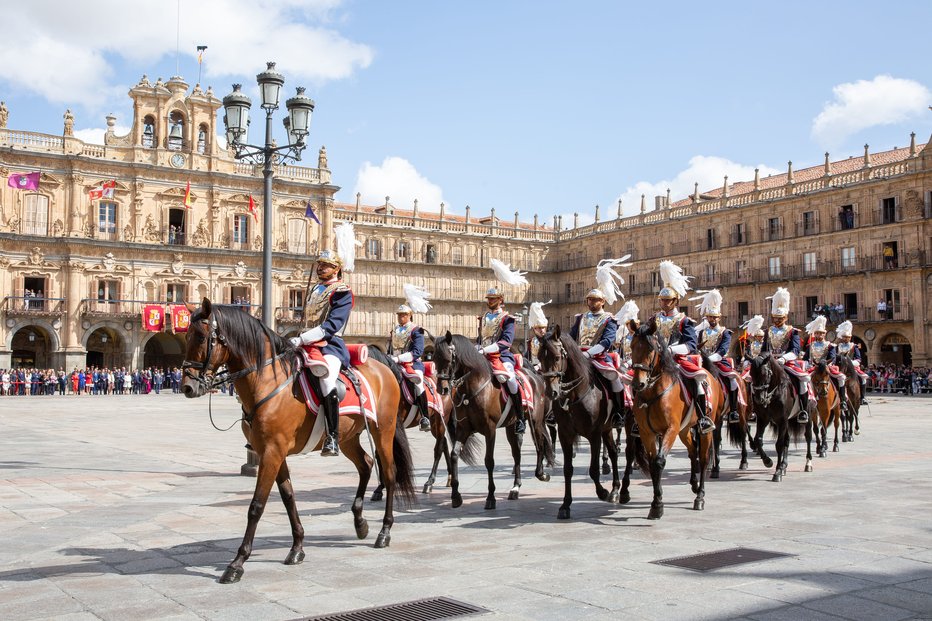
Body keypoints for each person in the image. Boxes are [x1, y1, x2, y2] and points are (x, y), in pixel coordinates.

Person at [290, 247, 354, 456]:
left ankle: (332, 437)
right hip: (306, 343)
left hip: (330, 346)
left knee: (326, 380)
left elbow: (332, 325)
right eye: (319, 264)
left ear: (336, 269)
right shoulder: (315, 290)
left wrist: (302, 338)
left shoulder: (342, 291)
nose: (320, 268)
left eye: (325, 265)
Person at [653, 260, 713, 434]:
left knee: (698, 380)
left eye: (668, 300)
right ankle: (635, 417)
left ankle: (702, 417)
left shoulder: (684, 321)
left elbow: (691, 345)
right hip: (657, 360)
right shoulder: (654, 320)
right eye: (662, 300)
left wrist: (671, 349)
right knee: (636, 380)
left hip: (677, 359)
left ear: (675, 301)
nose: (664, 303)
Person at [570, 288, 625, 428]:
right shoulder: (581, 318)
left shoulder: (609, 320)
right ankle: (555, 410)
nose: (592, 302)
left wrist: (588, 354)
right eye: (590, 299)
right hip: (578, 357)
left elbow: (607, 341)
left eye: (595, 299)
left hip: (598, 357)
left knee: (615, 379)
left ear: (603, 302)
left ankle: (619, 413)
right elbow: (571, 337)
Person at [476, 287, 525, 433]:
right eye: (489, 299)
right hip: (482, 357)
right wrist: (476, 347)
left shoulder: (507, 319)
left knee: (510, 380)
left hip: (502, 357)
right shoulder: (483, 317)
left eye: (493, 298)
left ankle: (520, 417)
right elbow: (480, 338)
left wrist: (486, 349)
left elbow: (506, 342)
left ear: (500, 300)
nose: (490, 301)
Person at [764, 287, 812, 423]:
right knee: (753, 380)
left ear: (785, 317)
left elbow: (796, 350)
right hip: (770, 363)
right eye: (775, 318)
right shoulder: (767, 331)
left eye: (780, 318)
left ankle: (803, 409)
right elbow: (764, 349)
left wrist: (784, 358)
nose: (777, 321)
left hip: (787, 363)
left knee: (803, 381)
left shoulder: (793, 331)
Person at [693, 289, 741, 423]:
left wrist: (708, 359)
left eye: (714, 317)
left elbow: (722, 351)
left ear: (719, 317)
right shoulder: (701, 332)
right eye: (709, 317)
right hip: (703, 363)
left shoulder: (725, 332)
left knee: (732, 380)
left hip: (719, 362)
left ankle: (733, 410)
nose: (712, 319)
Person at [388, 301, 430, 432]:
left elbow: (417, 352)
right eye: (399, 315)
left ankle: (425, 417)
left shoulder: (416, 330)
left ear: (409, 315)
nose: (401, 317)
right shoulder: (394, 330)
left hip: (413, 363)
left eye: (403, 315)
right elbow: (390, 349)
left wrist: (399, 358)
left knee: (418, 384)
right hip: (394, 362)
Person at [802, 315, 848, 413]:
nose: (819, 335)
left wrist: (826, 364)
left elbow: (832, 358)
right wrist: (807, 364)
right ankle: (803, 403)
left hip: (826, 367)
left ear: (824, 334)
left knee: (841, 378)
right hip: (813, 368)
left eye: (821, 333)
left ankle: (842, 400)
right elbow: (805, 358)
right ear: (815, 334)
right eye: (817, 333)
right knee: (803, 380)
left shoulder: (830, 346)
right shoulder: (810, 346)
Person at [835, 321, 868, 404]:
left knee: (862, 377)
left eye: (848, 337)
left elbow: (858, 359)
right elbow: (835, 356)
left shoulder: (854, 346)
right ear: (842, 337)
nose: (846, 338)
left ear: (850, 337)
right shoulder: (838, 346)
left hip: (852, 366)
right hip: (840, 366)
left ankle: (862, 397)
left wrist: (851, 363)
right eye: (844, 337)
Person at [525, 300, 551, 371]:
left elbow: (551, 357)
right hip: (534, 369)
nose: (542, 330)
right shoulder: (532, 341)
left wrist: (539, 366)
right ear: (534, 329)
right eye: (539, 328)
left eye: (543, 328)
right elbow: (527, 356)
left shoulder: (550, 341)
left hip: (548, 370)